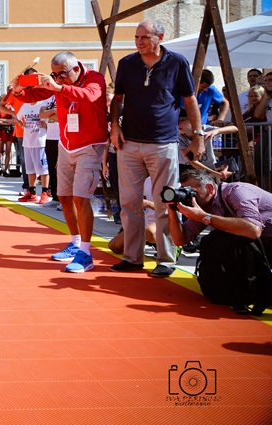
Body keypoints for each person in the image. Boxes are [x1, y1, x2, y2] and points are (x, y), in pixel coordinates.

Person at [109, 20, 204, 278]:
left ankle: (166, 259)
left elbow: (189, 99)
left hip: (163, 143)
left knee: (165, 203)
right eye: (136, 37)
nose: (139, 42)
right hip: (129, 144)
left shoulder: (177, 62)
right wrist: (114, 128)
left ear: (160, 36)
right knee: (129, 203)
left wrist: (198, 136)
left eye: (144, 37)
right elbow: (117, 100)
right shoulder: (127, 64)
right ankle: (132, 257)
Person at [14, 52, 109, 272]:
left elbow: (88, 96)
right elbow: (31, 96)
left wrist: (58, 88)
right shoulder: (59, 83)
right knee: (64, 196)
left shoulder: (95, 78)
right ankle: (75, 242)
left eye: (62, 74)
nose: (58, 79)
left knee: (81, 197)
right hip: (66, 145)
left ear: (76, 69)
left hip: (90, 146)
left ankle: (86, 252)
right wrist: (18, 89)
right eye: (54, 74)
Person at [167, 169, 272, 300]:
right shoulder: (205, 205)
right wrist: (172, 210)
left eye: (192, 192)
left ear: (210, 188)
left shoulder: (236, 192)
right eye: (185, 192)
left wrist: (205, 217)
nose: (189, 197)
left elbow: (253, 230)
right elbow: (180, 240)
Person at [15, 97, 50, 204]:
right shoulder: (25, 106)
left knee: (43, 168)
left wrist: (46, 125)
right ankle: (32, 192)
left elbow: (53, 120)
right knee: (30, 169)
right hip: (27, 141)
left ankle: (45, 192)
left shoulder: (43, 104)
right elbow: (17, 117)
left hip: (40, 141)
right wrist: (21, 124)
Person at [0, 88, 15, 176]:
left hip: (8, 131)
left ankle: (5, 170)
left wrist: (4, 120)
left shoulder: (10, 109)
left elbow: (14, 120)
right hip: (1, 131)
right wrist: (7, 121)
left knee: (8, 152)